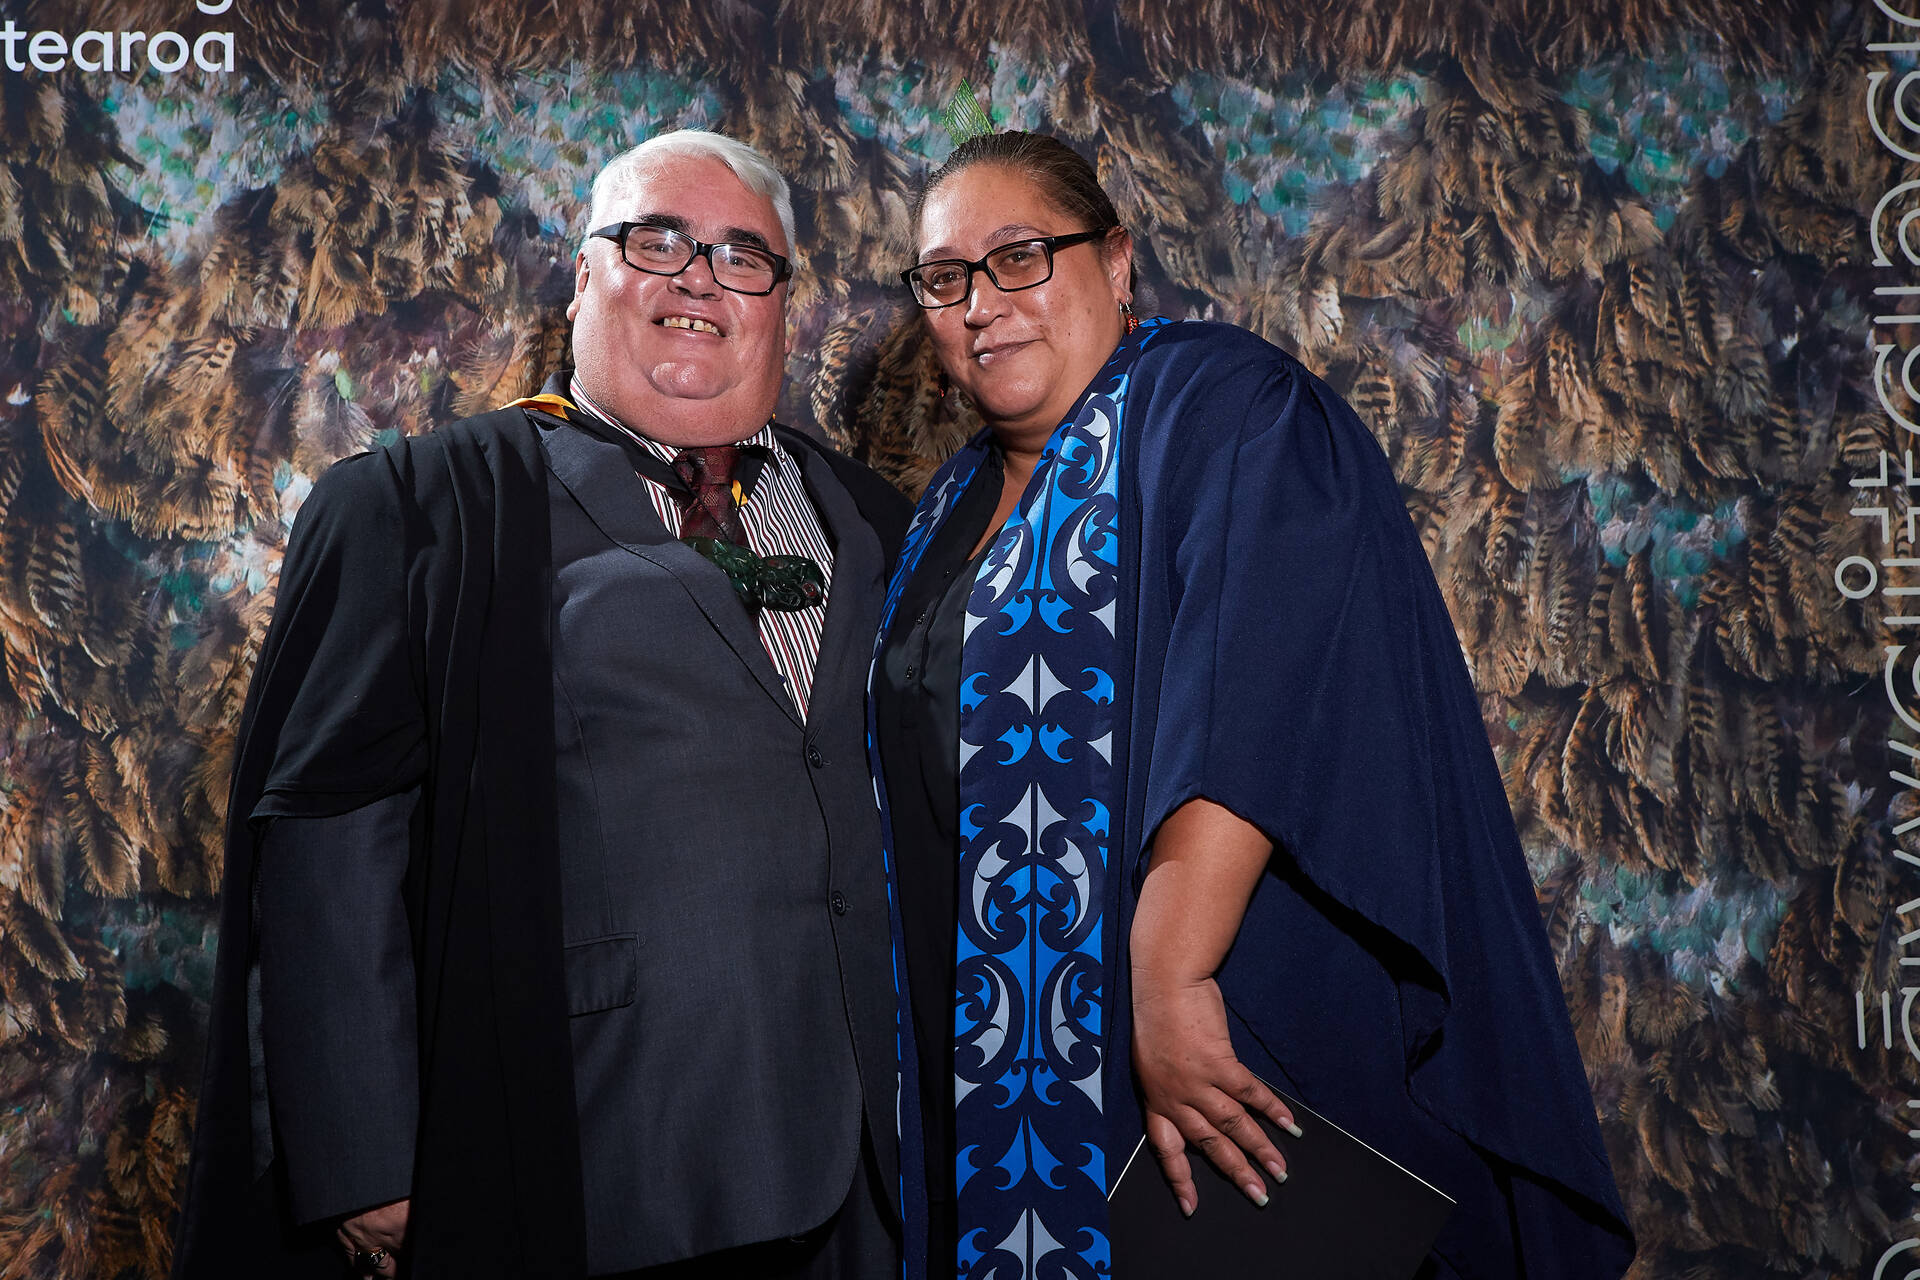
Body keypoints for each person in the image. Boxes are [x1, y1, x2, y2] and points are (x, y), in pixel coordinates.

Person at [871, 130, 1636, 1280]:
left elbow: (1260, 679)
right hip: (986, 1065)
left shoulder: (1220, 407)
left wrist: (1167, 967)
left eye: (1020, 256)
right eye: (945, 278)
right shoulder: (945, 508)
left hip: (1192, 1024)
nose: (982, 303)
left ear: (1116, 261)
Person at [172, 129, 911, 1280]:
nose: (699, 278)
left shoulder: (876, 518)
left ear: (784, 304)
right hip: (600, 1165)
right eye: (657, 241)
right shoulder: (427, 507)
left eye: (741, 255)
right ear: (580, 278)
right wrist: (365, 1154)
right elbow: (326, 832)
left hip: (879, 1168)